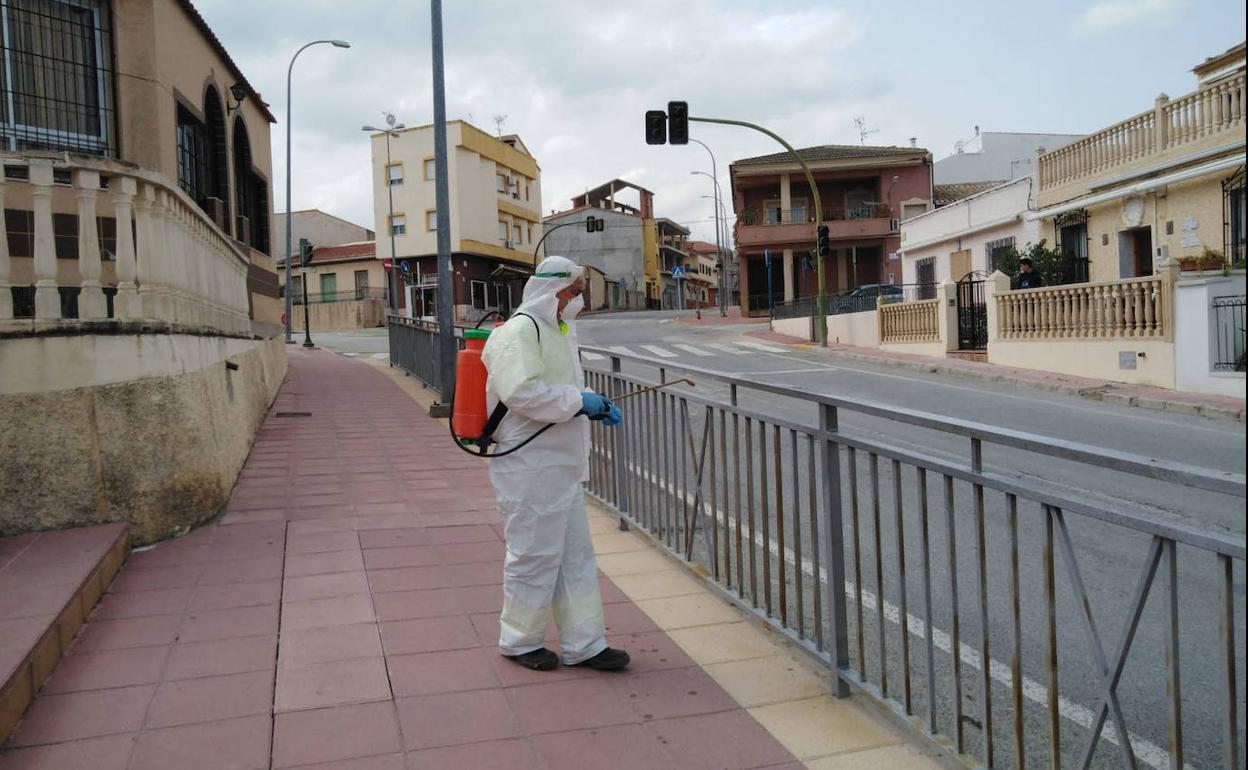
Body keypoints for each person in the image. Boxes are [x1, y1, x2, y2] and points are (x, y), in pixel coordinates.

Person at [480, 255, 629, 672]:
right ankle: (518, 640)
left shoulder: (555, 331)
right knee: (533, 555)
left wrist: (587, 403)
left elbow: (556, 387)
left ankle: (586, 643)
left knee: (574, 558)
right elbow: (523, 392)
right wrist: (578, 402)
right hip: (528, 467)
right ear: (551, 291)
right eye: (572, 293)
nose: (575, 301)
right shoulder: (520, 331)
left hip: (558, 467)